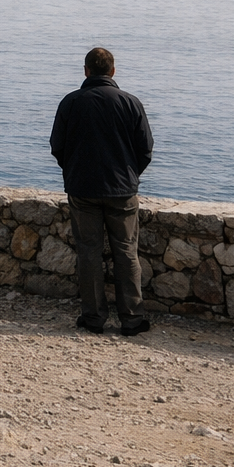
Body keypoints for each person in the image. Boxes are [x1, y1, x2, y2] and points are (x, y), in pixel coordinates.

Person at [50, 47, 154, 336]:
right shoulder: (130, 103)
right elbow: (145, 149)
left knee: (88, 253)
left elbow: (57, 146)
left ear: (86, 71)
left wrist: (73, 171)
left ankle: (94, 317)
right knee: (126, 252)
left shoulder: (70, 103)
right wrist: (130, 175)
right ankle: (132, 319)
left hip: (82, 189)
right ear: (113, 71)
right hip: (122, 191)